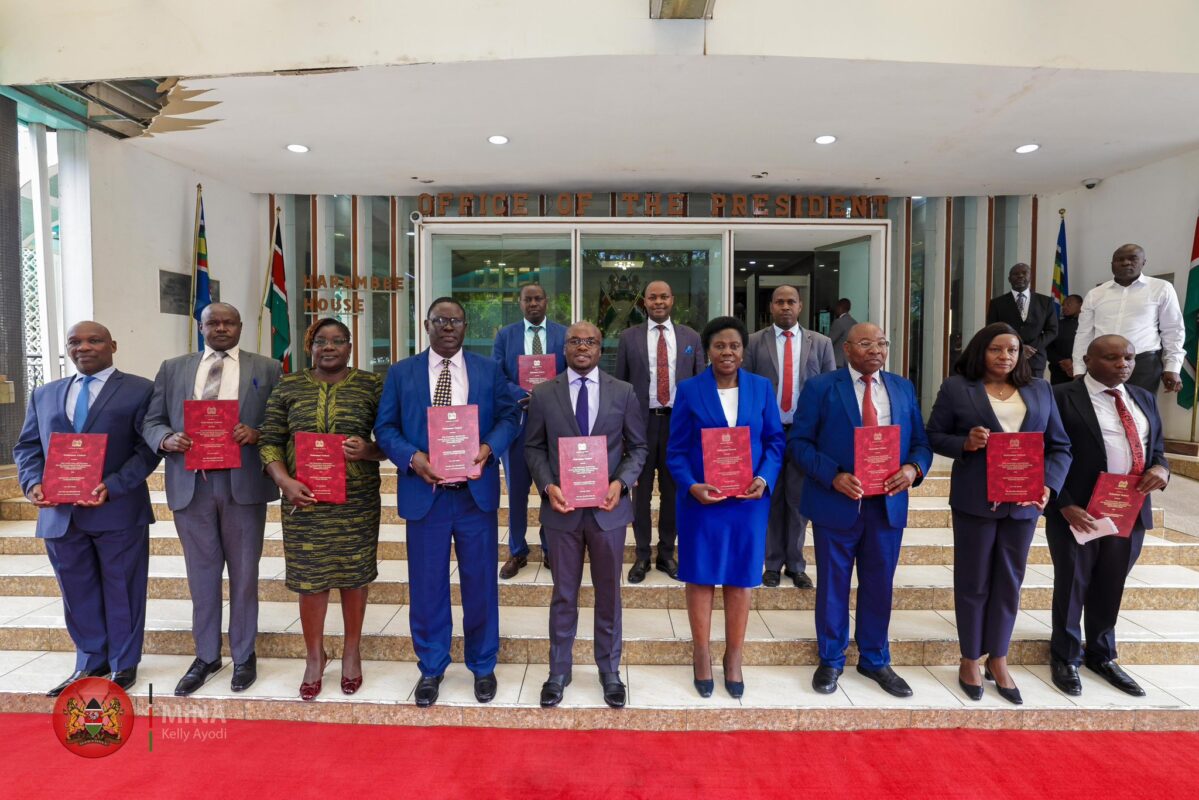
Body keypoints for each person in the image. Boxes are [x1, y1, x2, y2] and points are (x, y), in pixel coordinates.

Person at [375, 297, 520, 708]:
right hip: (427, 496)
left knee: (480, 583)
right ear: (426, 324)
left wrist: (490, 447)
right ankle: (432, 666)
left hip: (474, 495)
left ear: (465, 325)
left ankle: (482, 664)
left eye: (456, 320)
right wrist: (411, 457)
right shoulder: (402, 373)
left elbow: (510, 417)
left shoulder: (488, 371)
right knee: (427, 585)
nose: (448, 326)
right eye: (440, 320)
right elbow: (384, 427)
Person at [925, 323, 1071, 704]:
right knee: (973, 581)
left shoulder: (1040, 390)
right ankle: (971, 658)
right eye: (996, 349)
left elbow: (1059, 447)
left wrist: (1048, 486)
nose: (1005, 356)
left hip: (1023, 503)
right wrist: (965, 443)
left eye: (1012, 350)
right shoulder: (957, 387)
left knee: (1009, 581)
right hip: (976, 500)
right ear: (981, 351)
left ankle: (999, 658)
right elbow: (933, 435)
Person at [142, 302, 282, 696]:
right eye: (213, 322)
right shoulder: (174, 368)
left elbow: (281, 419)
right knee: (201, 576)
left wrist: (256, 433)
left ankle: (243, 654)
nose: (221, 328)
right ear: (200, 327)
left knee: (244, 574)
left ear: (241, 326)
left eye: (229, 322)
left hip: (243, 483)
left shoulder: (267, 368)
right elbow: (152, 421)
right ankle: (205, 655)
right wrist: (166, 439)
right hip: (193, 484)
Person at [14, 321, 160, 696]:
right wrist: (32, 484)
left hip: (117, 509)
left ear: (112, 345)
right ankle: (89, 661)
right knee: (76, 592)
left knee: (123, 589)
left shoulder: (141, 390)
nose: (84, 347)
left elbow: (147, 450)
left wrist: (112, 486)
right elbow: (28, 447)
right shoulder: (45, 394)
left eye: (94, 340)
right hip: (60, 515)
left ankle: (124, 664)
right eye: (74, 342)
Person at [790, 322, 933, 697]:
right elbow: (800, 443)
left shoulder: (902, 387)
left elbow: (920, 442)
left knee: (879, 584)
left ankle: (874, 658)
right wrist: (833, 475)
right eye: (866, 343)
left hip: (886, 505)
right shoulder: (822, 387)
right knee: (834, 586)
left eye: (882, 343)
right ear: (847, 349)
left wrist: (913, 469)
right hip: (837, 502)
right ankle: (832, 658)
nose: (876, 350)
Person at [258, 319, 385, 700]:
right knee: (310, 580)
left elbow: (391, 438)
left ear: (350, 346)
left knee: (354, 576)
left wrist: (368, 450)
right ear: (310, 347)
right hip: (304, 502)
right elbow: (269, 439)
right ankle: (315, 656)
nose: (329, 348)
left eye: (338, 341)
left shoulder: (371, 385)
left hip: (356, 503)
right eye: (321, 342)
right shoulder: (289, 385)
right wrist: (284, 481)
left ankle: (351, 652)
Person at [523, 321, 646, 709]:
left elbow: (638, 448)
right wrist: (547, 486)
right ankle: (559, 670)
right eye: (575, 341)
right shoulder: (543, 394)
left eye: (590, 341)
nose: (582, 347)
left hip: (608, 512)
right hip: (562, 511)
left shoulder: (623, 392)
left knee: (609, 593)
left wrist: (621, 483)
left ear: (600, 347)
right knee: (563, 593)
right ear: (564, 347)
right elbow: (533, 448)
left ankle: (609, 670)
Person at [667, 316, 784, 698]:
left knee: (740, 578)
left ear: (743, 351)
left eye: (734, 346)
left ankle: (733, 658)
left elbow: (774, 442)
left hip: (748, 502)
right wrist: (691, 485)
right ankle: (701, 654)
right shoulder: (688, 390)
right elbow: (677, 451)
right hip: (703, 501)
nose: (727, 352)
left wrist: (764, 478)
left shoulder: (761, 388)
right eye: (720, 346)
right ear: (707, 351)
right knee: (700, 576)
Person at [1046, 335, 1170, 697]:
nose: (1123, 364)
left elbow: (1157, 450)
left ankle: (1102, 654)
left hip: (1128, 511)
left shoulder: (1143, 398)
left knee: (1110, 583)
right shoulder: (1060, 396)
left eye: (1129, 358)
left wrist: (1162, 470)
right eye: (1113, 357)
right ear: (1088, 359)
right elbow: (1046, 451)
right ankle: (1066, 656)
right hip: (1078, 511)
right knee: (1072, 584)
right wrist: (1063, 503)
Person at [743, 284, 835, 589]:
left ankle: (796, 564)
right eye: (779, 302)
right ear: (771, 306)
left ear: (800, 306)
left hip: (804, 433)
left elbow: (830, 390)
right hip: (767, 432)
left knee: (798, 499)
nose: (785, 307)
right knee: (770, 496)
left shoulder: (820, 343)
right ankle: (771, 563)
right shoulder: (754, 343)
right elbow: (747, 390)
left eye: (791, 302)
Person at [615, 280, 705, 583]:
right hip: (641, 425)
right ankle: (642, 555)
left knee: (673, 491)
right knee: (639, 495)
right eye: (652, 297)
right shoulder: (628, 338)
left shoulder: (691, 337)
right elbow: (621, 387)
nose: (658, 302)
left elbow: (700, 384)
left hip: (679, 426)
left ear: (672, 300)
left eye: (663, 296)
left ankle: (667, 553)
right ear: (645, 302)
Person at [492, 283, 568, 579]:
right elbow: (496, 375)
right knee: (517, 493)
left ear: (546, 301)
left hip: (553, 426)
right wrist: (521, 392)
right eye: (528, 299)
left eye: (538, 298)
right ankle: (517, 551)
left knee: (550, 489)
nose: (533, 303)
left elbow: (571, 371)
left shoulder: (563, 334)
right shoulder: (505, 335)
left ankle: (550, 548)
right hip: (517, 425)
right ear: (520, 303)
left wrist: (546, 393)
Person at [1072, 244, 1185, 394]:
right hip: (1102, 364)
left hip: (1143, 365)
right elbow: (1084, 334)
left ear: (1143, 262)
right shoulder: (1095, 294)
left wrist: (1173, 367)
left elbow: (1173, 330)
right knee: (1100, 413)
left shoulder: (1161, 288)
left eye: (1133, 259)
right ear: (1112, 264)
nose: (1126, 263)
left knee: (1139, 413)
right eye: (1120, 259)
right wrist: (1079, 368)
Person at [985, 263, 1058, 377]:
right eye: (1016, 274)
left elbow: (1052, 330)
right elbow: (992, 331)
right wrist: (1018, 348)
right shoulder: (997, 303)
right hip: (1006, 359)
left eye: (1024, 273)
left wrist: (1032, 348)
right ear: (1009, 279)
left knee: (1033, 394)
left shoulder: (1045, 301)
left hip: (1035, 359)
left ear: (1030, 277)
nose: (1020, 276)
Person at [1047, 294, 1083, 385]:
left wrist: (1074, 363)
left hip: (1082, 371)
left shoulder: (1088, 325)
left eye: (1069, 304)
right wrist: (1062, 361)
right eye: (1063, 304)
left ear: (1080, 305)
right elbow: (1048, 347)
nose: (1064, 307)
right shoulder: (1056, 325)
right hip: (1058, 372)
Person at [827, 298, 857, 369]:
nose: (835, 310)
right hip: (850, 361)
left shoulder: (838, 322)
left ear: (840, 308)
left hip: (838, 362)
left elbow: (829, 341)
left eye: (836, 307)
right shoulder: (855, 323)